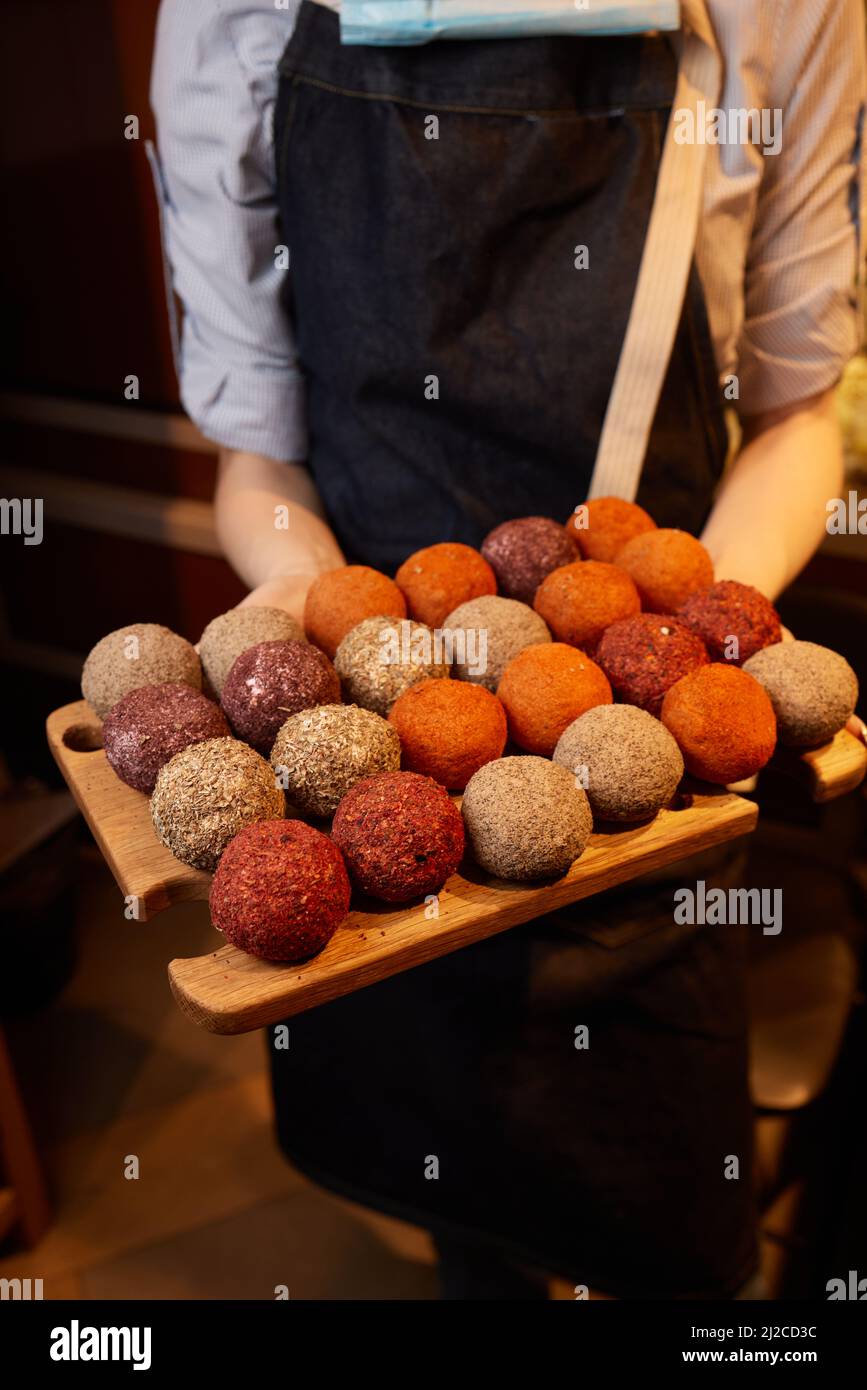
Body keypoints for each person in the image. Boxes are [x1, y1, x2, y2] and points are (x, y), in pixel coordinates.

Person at [151, 0, 866, 1298]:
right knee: (462, 1199)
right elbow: (255, 455)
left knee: (658, 1222)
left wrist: (693, 639)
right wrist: (338, 651)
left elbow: (798, 407)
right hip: (363, 758)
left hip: (655, 769)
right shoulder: (232, 10)